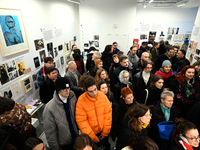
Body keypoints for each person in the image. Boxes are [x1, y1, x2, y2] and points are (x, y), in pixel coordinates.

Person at [76, 77, 112, 149]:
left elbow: (108, 114)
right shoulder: (81, 101)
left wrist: (105, 132)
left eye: (95, 89)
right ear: (86, 90)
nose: (94, 93)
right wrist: (93, 138)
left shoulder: (102, 96)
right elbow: (82, 122)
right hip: (91, 135)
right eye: (91, 91)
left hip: (103, 131)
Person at [43, 77, 79, 150]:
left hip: (76, 138)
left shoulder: (72, 97)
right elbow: (50, 133)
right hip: (64, 144)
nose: (67, 91)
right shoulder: (49, 108)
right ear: (58, 90)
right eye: (64, 89)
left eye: (68, 88)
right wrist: (56, 148)